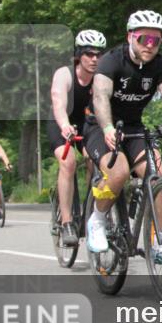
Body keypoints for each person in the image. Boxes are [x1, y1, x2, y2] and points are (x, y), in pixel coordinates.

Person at [83, 10, 162, 263]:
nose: (150, 45)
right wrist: (107, 128)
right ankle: (98, 219)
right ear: (130, 37)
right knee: (119, 173)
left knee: (157, 172)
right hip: (99, 126)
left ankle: (157, 241)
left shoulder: (161, 65)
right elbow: (101, 97)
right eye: (143, 39)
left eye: (155, 41)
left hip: (133, 127)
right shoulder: (112, 61)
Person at [49, 29, 106, 246]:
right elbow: (58, 103)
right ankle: (66, 223)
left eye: (99, 55)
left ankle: (90, 204)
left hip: (86, 124)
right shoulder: (65, 74)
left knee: (96, 159)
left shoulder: (102, 78)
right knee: (69, 162)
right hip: (60, 122)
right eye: (89, 54)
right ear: (78, 55)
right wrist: (64, 126)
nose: (94, 59)